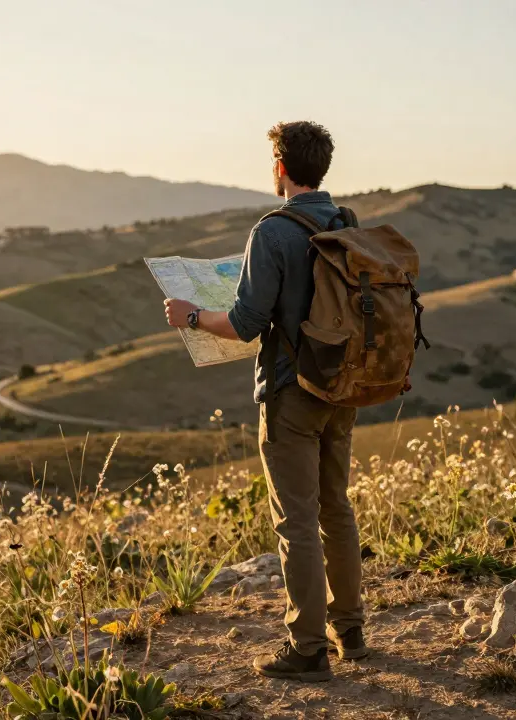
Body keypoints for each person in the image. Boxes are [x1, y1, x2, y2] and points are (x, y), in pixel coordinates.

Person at [162, 121, 365, 683]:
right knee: (335, 508)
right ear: (321, 165)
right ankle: (350, 631)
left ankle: (307, 649)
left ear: (280, 166)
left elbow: (246, 323)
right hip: (341, 387)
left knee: (296, 521)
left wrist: (191, 316)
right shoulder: (346, 223)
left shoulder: (271, 232)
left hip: (290, 392)